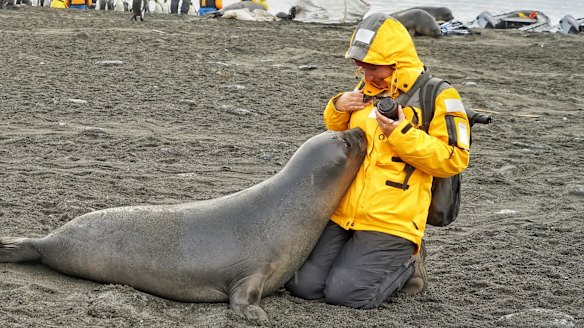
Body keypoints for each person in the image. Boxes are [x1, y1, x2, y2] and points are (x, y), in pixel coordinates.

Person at [285, 13, 470, 309]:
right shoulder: (366, 90)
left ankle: (411, 264)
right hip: (345, 211)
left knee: (346, 294)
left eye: (372, 67)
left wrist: (402, 133)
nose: (365, 75)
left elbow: (454, 159)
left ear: (396, 61)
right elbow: (340, 137)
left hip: (392, 218)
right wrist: (337, 107)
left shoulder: (439, 95)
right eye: (361, 67)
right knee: (301, 285)